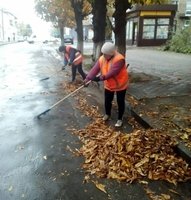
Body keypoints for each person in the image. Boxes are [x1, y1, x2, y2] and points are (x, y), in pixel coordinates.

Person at [84, 42, 129, 127]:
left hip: (121, 84)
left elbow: (112, 73)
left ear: (111, 54)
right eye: (103, 53)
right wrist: (87, 78)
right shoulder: (102, 58)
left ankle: (120, 119)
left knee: (120, 101)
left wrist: (100, 78)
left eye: (106, 54)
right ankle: (107, 114)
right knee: (107, 100)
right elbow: (95, 69)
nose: (104, 55)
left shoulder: (119, 59)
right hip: (109, 84)